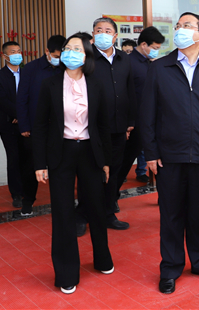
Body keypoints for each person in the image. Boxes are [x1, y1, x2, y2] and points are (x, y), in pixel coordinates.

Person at [142, 12, 199, 294]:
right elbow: (147, 114)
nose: (180, 29)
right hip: (169, 156)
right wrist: (151, 153)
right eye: (178, 26)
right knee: (171, 215)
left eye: (187, 26)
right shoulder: (160, 68)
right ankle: (170, 268)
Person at [33, 33, 114, 294]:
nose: (70, 52)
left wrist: (105, 161)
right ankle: (67, 272)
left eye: (76, 48)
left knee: (96, 207)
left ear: (87, 55)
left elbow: (103, 125)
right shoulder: (50, 84)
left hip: (90, 151)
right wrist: (40, 163)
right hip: (61, 152)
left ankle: (102, 258)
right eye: (68, 48)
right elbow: (40, 126)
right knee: (63, 212)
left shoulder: (97, 84)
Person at [76, 17, 136, 235]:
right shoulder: (85, 58)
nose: (103, 33)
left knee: (114, 172)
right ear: (93, 35)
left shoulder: (124, 58)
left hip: (118, 127)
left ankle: (108, 213)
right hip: (91, 128)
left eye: (108, 30)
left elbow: (130, 90)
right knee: (90, 173)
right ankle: (82, 215)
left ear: (115, 36)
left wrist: (130, 122)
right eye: (98, 30)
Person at [16, 35, 66, 216]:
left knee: (60, 166)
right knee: (31, 166)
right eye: (56, 55)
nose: (59, 59)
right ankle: (28, 201)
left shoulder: (67, 68)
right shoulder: (31, 69)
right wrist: (24, 125)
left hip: (60, 127)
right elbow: (22, 99)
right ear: (47, 51)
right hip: (36, 126)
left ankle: (61, 203)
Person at [117, 26, 165, 189]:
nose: (156, 51)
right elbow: (124, 94)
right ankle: (111, 194)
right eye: (155, 48)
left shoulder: (150, 63)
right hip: (134, 121)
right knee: (125, 160)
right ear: (144, 44)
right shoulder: (128, 62)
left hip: (149, 119)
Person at [0, 41, 26, 208]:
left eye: (19, 51)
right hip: (7, 123)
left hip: (26, 123)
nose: (17, 54)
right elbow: (2, 100)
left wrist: (23, 116)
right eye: (13, 52)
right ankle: (16, 193)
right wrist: (18, 114)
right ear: (5, 56)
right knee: (13, 158)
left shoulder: (27, 73)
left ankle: (27, 189)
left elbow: (33, 96)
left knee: (27, 157)